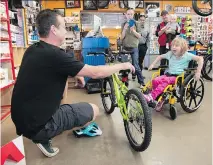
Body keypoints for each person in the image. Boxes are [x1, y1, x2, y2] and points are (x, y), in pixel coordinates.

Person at [11, 9, 135, 158]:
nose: (66, 30)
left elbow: (51, 71)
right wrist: (123, 66)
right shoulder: (56, 55)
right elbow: (96, 73)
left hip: (21, 119)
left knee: (62, 86)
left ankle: (48, 126)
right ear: (54, 30)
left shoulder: (32, 49)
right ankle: (44, 136)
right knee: (94, 109)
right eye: (63, 26)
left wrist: (75, 73)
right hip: (38, 126)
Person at [143, 37, 203, 111]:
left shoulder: (187, 55)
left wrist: (198, 71)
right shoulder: (170, 54)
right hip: (168, 74)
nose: (173, 47)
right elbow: (160, 57)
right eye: (172, 45)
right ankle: (160, 98)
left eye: (176, 46)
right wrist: (152, 64)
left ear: (183, 47)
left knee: (165, 82)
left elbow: (200, 59)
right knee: (155, 80)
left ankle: (151, 96)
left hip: (178, 77)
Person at [121, 8, 145, 87]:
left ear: (133, 14)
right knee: (124, 66)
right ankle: (124, 82)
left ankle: (141, 82)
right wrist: (125, 28)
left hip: (134, 47)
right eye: (128, 14)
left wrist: (133, 30)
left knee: (135, 65)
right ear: (126, 14)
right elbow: (122, 37)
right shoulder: (123, 23)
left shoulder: (137, 23)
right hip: (125, 47)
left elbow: (139, 36)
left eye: (131, 14)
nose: (130, 15)